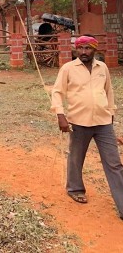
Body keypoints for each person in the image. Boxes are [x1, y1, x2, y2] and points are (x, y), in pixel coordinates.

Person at [51, 34, 123, 220]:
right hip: (78, 122)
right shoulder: (68, 68)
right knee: (76, 158)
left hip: (103, 122)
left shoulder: (103, 67)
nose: (83, 52)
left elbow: (108, 91)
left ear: (95, 50)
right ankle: (75, 188)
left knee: (114, 163)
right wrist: (60, 115)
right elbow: (57, 92)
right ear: (76, 50)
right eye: (80, 48)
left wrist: (111, 112)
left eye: (88, 48)